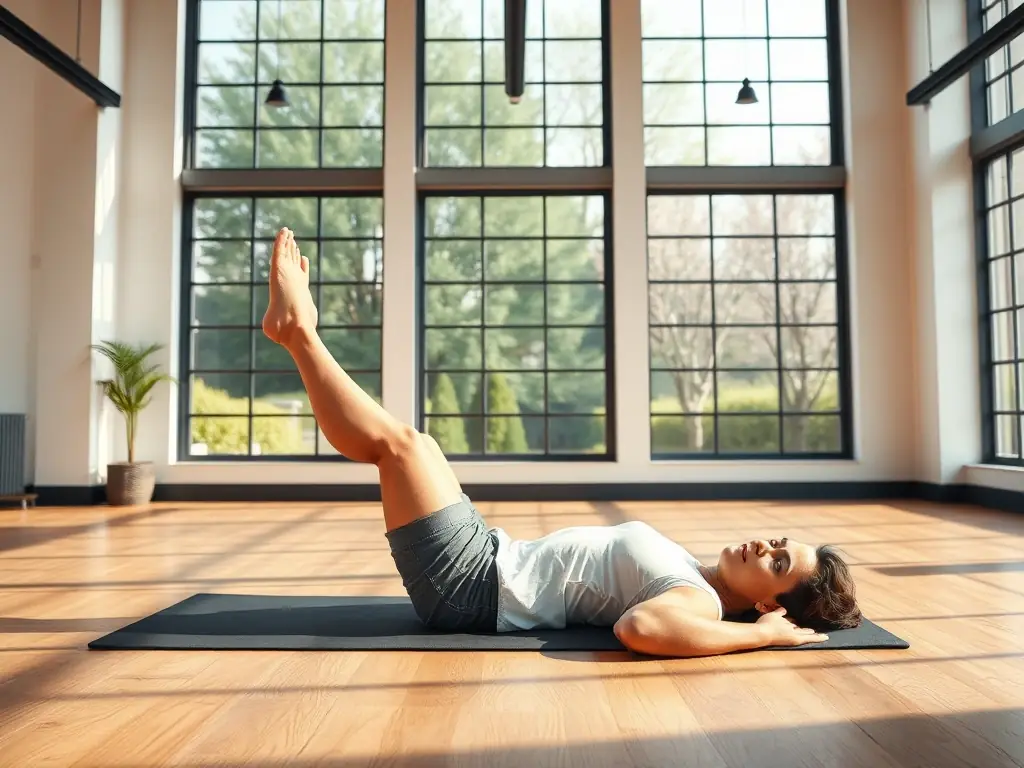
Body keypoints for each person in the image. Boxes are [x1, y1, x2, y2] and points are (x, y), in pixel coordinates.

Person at [262, 227, 863, 658]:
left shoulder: (698, 603)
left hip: (472, 591)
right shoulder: (694, 573)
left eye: (777, 563)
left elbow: (640, 631)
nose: (764, 546)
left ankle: (299, 334)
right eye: (778, 542)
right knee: (420, 444)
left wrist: (761, 638)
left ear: (768, 605)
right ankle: (297, 333)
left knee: (401, 449)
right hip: (489, 553)